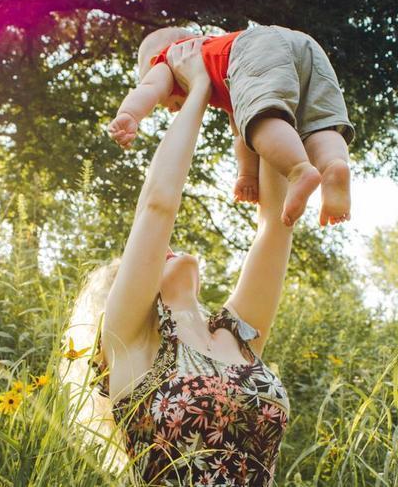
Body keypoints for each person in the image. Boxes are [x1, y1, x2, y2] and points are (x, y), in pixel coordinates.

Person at [66, 39, 294, 486]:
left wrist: (258, 98)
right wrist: (197, 91)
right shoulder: (130, 342)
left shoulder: (238, 336)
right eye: (156, 256)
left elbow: (277, 225)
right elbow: (158, 205)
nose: (166, 249)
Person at [107, 25, 355, 228]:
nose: (171, 108)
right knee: (318, 123)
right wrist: (247, 175)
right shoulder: (228, 75)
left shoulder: (171, 59)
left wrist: (130, 113)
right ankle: (333, 166)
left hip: (255, 47)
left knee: (262, 121)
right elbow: (242, 133)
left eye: (165, 103)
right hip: (305, 46)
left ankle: (299, 170)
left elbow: (149, 88)